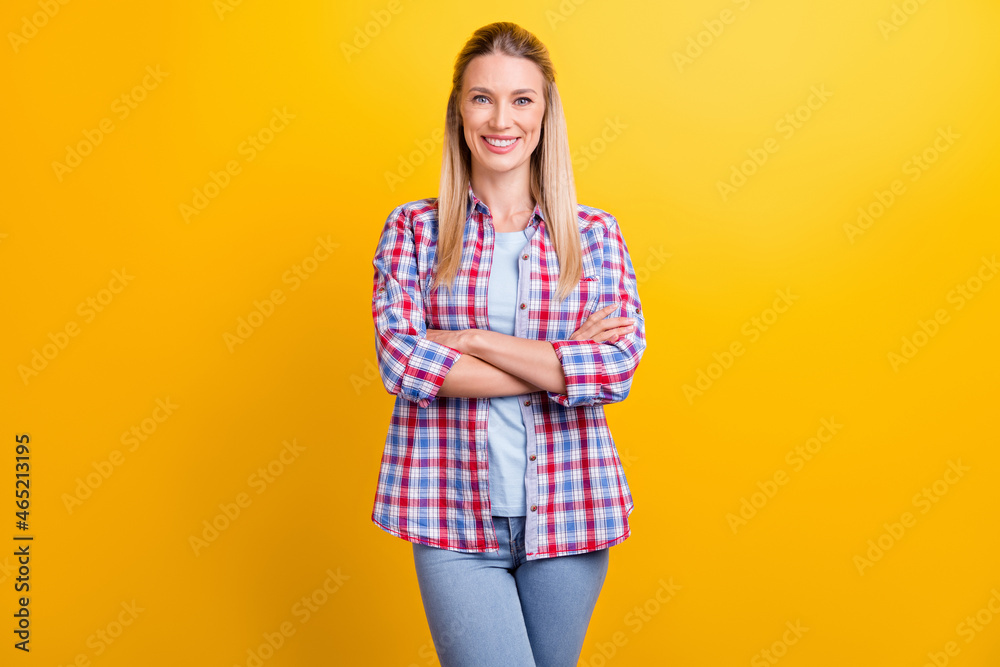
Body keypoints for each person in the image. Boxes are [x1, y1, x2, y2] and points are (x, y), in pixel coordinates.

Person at [369, 21, 646, 667]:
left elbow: (615, 368)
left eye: (522, 99)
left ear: (545, 114)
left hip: (572, 510)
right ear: (459, 111)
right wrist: (557, 360)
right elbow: (402, 362)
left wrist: (469, 340)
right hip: (448, 513)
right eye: (482, 97)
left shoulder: (594, 234)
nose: (502, 118)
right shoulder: (414, 230)